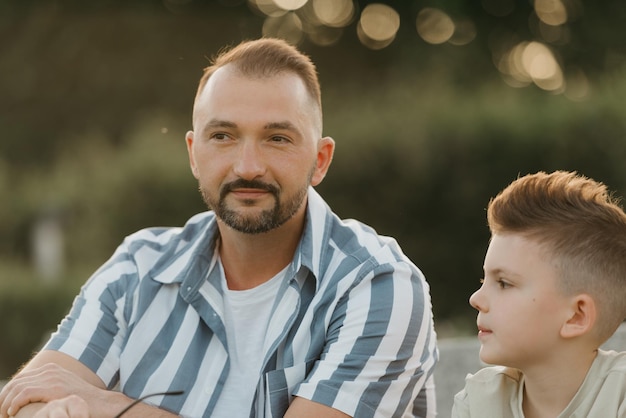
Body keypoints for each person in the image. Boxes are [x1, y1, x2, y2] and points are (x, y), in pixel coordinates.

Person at [0, 38, 438, 418]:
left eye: (277, 138)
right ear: (194, 153)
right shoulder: (139, 268)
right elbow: (26, 400)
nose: (248, 166)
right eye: (223, 136)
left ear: (320, 160)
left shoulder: (377, 284)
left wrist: (111, 407)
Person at [452, 170, 626, 418]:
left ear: (576, 316)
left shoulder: (620, 397)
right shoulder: (479, 402)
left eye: (503, 283)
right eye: (484, 279)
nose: (476, 299)